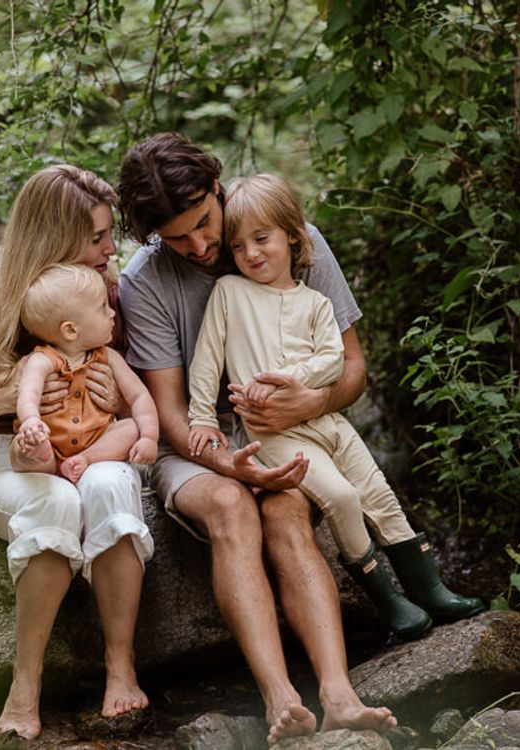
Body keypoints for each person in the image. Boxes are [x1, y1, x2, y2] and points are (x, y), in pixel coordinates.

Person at [116, 132, 397, 744]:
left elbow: (351, 369)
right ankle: (279, 697)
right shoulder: (145, 280)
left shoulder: (287, 232)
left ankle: (340, 696)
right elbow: (168, 415)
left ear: (218, 189)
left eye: (204, 223)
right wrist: (231, 466)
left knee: (290, 511)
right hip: (195, 443)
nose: (199, 246)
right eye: (176, 238)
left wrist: (314, 400)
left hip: (289, 428)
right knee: (230, 507)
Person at [187, 173, 484, 641]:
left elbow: (335, 359)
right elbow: (207, 359)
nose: (251, 254)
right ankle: (389, 601)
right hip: (274, 434)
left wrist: (294, 382)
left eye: (262, 239)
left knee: (378, 494)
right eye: (238, 246)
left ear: (292, 235)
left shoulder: (317, 303)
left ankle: (430, 589)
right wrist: (203, 416)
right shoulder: (229, 293)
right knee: (342, 497)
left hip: (328, 421)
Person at [0, 165, 154, 740]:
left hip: (95, 449)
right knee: (53, 501)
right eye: (98, 237)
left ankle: (120, 667)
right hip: (9, 460)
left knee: (106, 487)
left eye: (110, 235)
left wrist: (114, 405)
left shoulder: (108, 298)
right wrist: (3, 397)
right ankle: (24, 686)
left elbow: (140, 402)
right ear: (54, 237)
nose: (111, 248)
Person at [12, 263, 158, 483]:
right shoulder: (42, 360)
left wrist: (148, 437)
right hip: (49, 437)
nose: (112, 313)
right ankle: (40, 454)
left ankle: (83, 459)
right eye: (103, 307)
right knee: (20, 448)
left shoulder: (109, 357)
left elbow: (139, 396)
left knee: (129, 427)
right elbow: (28, 393)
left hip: (96, 442)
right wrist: (31, 421)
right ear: (71, 330)